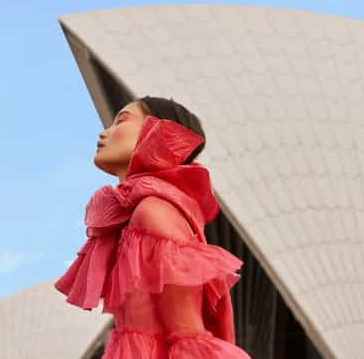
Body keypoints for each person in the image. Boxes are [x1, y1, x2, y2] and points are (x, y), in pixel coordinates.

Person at [55, 96, 251, 358]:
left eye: (121, 121)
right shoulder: (142, 213)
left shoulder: (153, 211)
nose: (104, 133)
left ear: (157, 132)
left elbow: (187, 337)